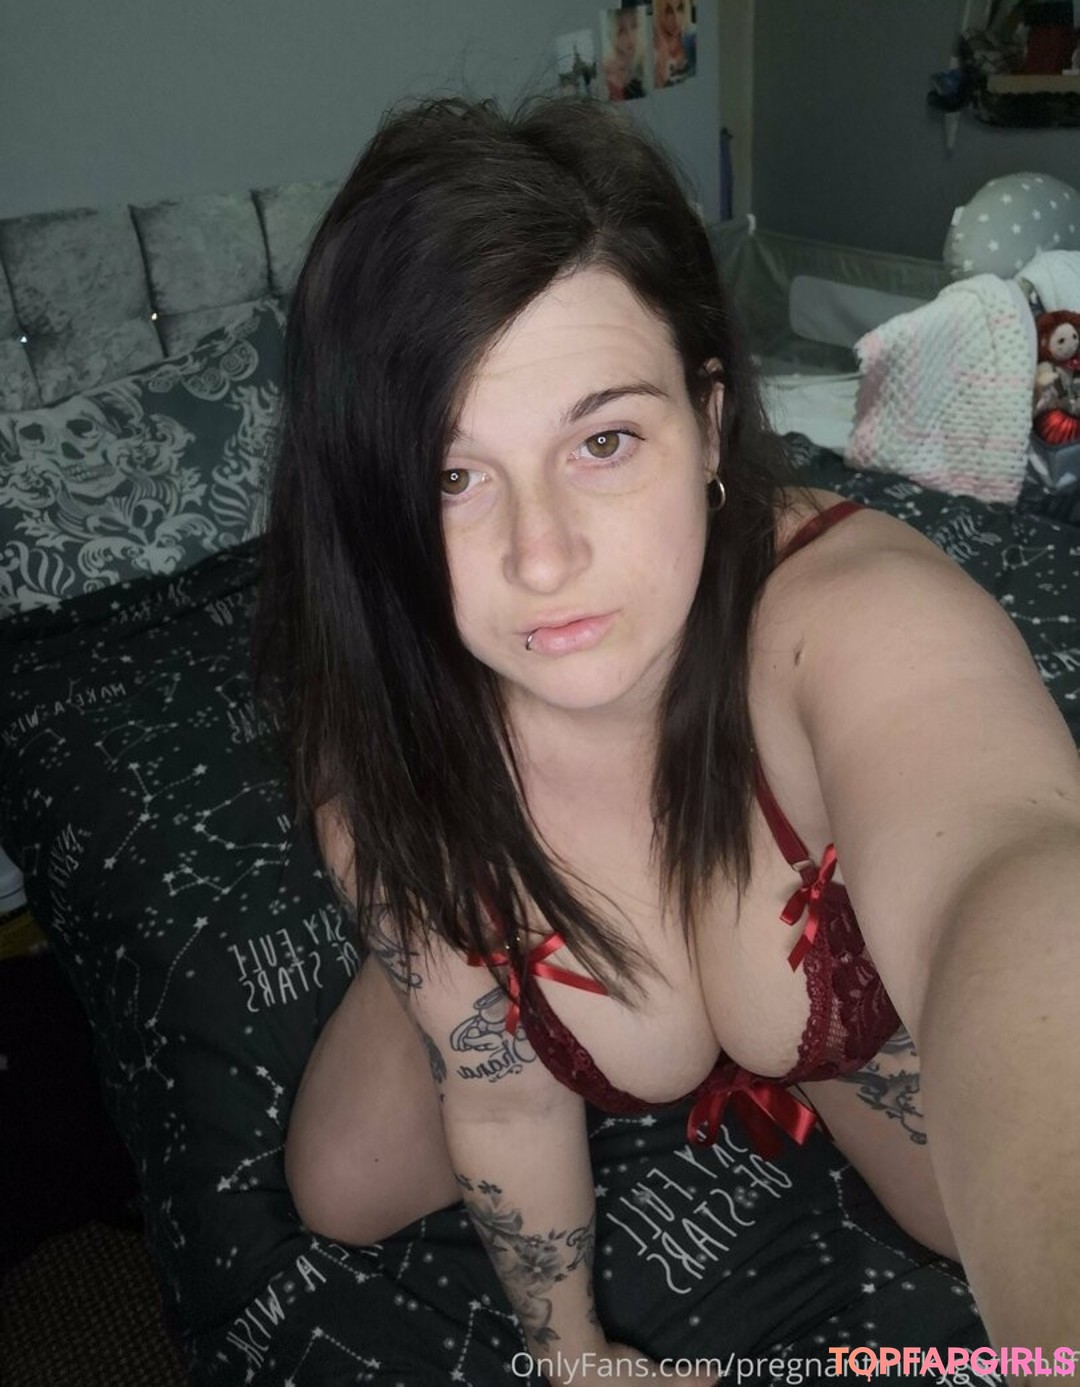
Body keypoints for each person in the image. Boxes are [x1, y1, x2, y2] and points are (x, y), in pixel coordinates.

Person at [253, 96, 1080, 1385]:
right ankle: (455, 939)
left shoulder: (859, 619)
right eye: (449, 475)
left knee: (942, 1197)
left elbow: (1014, 878)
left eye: (604, 440)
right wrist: (577, 1356)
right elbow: (504, 1103)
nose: (541, 557)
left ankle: (767, 1011)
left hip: (815, 921)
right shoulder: (390, 728)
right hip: (467, 843)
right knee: (341, 1188)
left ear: (705, 422)